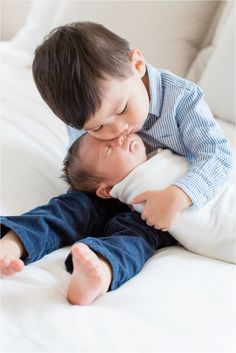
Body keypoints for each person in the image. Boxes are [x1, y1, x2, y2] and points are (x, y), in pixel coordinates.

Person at [0, 22, 232, 302]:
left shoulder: (181, 99)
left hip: (162, 201)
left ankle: (100, 269)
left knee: (135, 235)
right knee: (70, 208)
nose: (115, 130)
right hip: (111, 187)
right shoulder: (83, 115)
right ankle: (14, 242)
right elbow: (84, 163)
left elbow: (217, 155)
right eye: (97, 128)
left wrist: (181, 194)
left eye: (122, 109)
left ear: (136, 64)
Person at [63, 133, 236, 264]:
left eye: (116, 135)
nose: (120, 139)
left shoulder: (156, 157)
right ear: (107, 190)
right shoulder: (136, 188)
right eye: (108, 149)